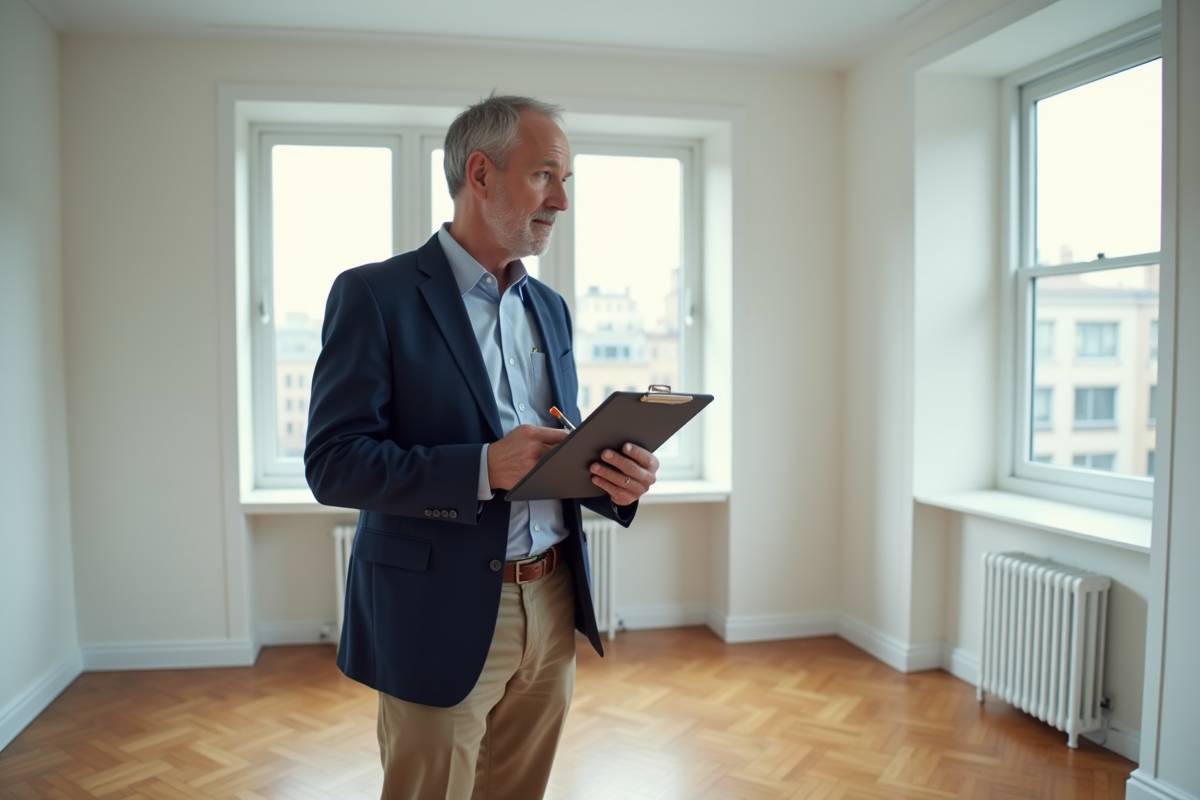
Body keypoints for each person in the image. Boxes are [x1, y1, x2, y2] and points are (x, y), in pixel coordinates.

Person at [304, 94, 660, 800]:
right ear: (480, 173)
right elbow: (333, 462)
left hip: (553, 600)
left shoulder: (549, 308)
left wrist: (614, 476)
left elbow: (556, 439)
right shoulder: (374, 295)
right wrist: (480, 468)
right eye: (544, 175)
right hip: (436, 608)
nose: (561, 201)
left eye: (566, 181)